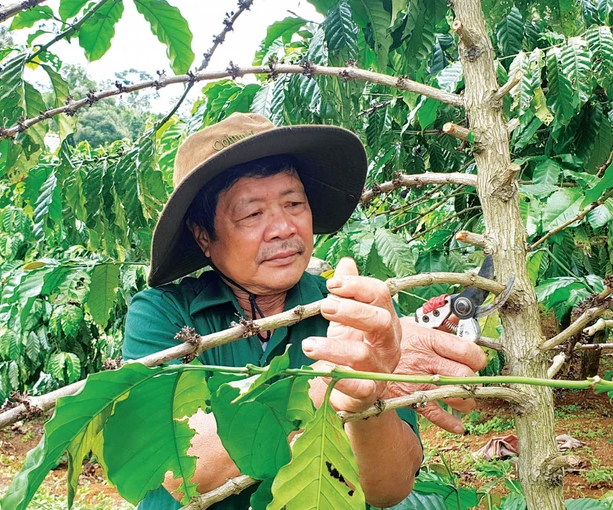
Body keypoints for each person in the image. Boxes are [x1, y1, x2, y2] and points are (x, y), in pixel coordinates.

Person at [123, 113, 487, 509]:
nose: (284, 227)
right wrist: (330, 380)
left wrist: (361, 402)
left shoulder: (355, 313)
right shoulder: (162, 314)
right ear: (203, 236)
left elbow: (389, 488)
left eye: (294, 203)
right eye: (252, 213)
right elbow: (178, 468)